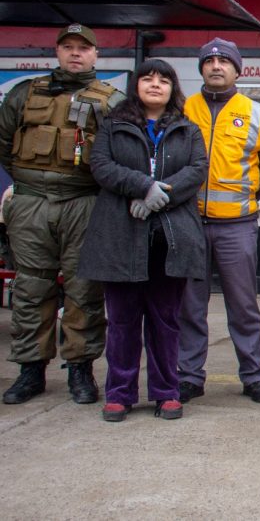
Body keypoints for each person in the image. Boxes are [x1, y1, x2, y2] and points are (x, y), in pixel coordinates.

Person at [0, 24, 125, 405]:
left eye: (83, 48)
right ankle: (30, 370)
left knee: (83, 289)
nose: (75, 54)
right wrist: (28, 183)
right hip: (32, 202)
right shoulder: (24, 93)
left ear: (95, 55)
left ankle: (80, 369)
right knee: (30, 287)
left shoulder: (111, 101)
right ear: (57, 51)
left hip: (83, 202)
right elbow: (5, 142)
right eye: (68, 47)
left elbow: (119, 155)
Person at [78, 59, 207, 422]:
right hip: (121, 235)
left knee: (166, 320)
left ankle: (166, 392)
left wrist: (160, 195)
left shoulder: (187, 128)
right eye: (148, 78)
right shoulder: (113, 125)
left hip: (170, 238)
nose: (155, 84)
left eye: (163, 80)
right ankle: (120, 393)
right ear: (136, 85)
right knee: (121, 320)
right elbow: (101, 166)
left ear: (172, 88)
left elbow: (197, 169)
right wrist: (142, 186)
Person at [177, 38, 260, 404]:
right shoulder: (182, 109)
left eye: (225, 61)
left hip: (237, 223)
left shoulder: (255, 112)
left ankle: (254, 376)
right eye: (209, 60)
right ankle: (189, 376)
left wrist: (249, 197)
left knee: (242, 304)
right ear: (201, 69)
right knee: (190, 304)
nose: (217, 65)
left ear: (238, 70)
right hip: (188, 222)